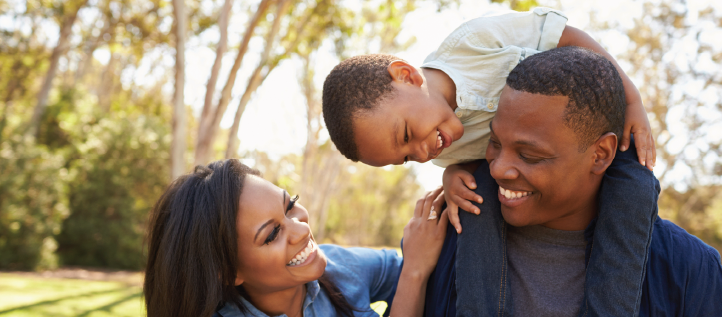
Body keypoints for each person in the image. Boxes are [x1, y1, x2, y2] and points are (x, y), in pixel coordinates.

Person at [322, 8, 657, 316]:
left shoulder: (472, 44)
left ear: (406, 76)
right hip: (528, 181)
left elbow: (567, 37)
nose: (423, 154)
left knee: (637, 187)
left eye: (407, 134)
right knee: (476, 200)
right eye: (407, 157)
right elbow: (475, 162)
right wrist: (452, 175)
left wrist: (631, 100)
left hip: (587, 139)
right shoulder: (443, 146)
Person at [435, 46, 722, 316]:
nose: (498, 169)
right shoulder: (441, 242)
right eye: (495, 142)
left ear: (601, 154)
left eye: (529, 155)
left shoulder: (690, 271)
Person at [143, 159, 450, 317]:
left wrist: (459, 175)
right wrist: (414, 273)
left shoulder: (338, 267)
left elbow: (437, 272)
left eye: (290, 206)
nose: (302, 229)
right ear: (228, 272)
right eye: (273, 234)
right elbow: (414, 268)